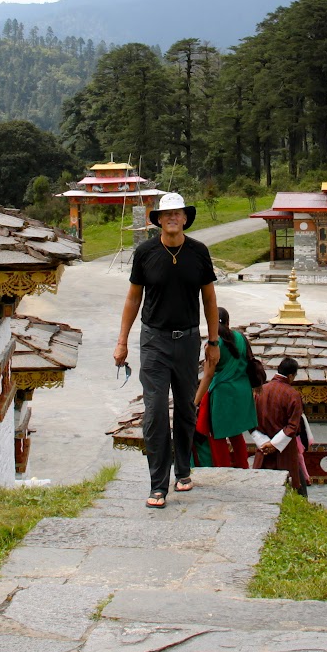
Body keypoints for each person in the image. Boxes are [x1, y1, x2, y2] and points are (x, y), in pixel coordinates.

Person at [115, 192, 219, 509]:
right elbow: (133, 298)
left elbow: (209, 299)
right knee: (156, 410)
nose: (172, 218)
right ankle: (158, 484)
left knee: (186, 407)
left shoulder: (198, 252)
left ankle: (183, 470)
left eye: (177, 213)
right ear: (159, 220)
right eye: (166, 214)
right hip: (154, 341)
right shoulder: (145, 253)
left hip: (187, 340)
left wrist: (213, 342)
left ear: (185, 218)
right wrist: (122, 341)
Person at [193, 308, 258, 468]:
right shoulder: (240, 337)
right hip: (242, 392)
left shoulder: (213, 345)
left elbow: (208, 376)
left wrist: (195, 402)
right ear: (228, 322)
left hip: (223, 394)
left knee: (218, 435)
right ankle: (244, 466)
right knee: (236, 433)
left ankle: (223, 469)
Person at [251, 357, 308, 497]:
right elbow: (293, 426)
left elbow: (250, 422)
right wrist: (274, 444)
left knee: (261, 492)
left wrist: (265, 443)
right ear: (290, 376)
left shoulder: (259, 391)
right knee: (288, 492)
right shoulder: (293, 395)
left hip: (263, 450)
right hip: (285, 452)